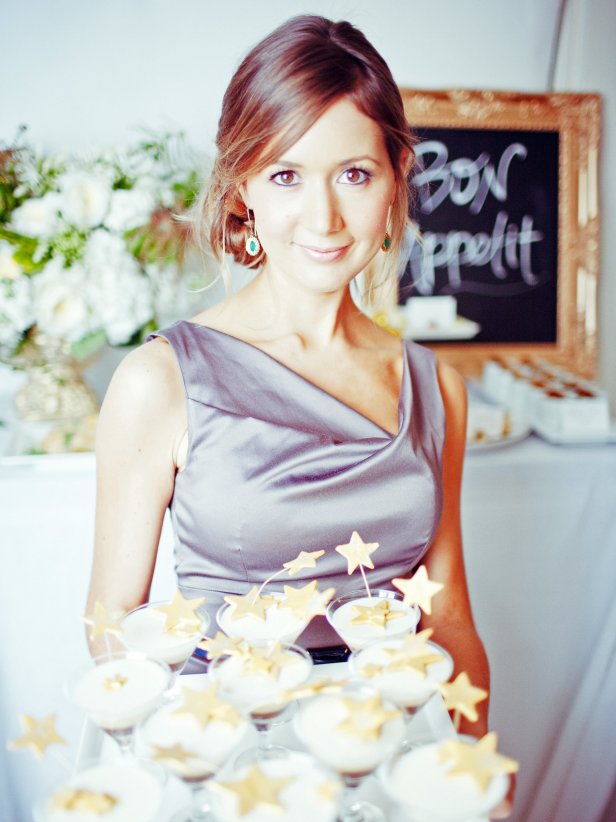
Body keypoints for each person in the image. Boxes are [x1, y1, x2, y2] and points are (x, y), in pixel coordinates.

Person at [87, 15, 511, 814]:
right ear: (242, 185)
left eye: (354, 174)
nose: (323, 218)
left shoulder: (434, 386)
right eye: (286, 175)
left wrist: (472, 766)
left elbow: (448, 612)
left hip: (393, 755)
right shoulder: (159, 380)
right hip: (230, 763)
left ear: (395, 179)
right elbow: (113, 620)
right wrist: (187, 764)